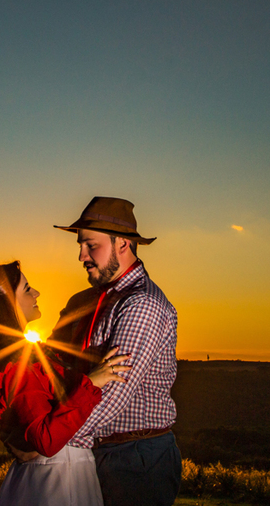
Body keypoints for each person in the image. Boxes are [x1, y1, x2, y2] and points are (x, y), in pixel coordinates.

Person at [49, 196, 181, 506]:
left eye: (90, 245)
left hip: (134, 461)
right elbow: (52, 363)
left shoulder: (142, 305)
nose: (81, 255)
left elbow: (112, 396)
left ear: (122, 243)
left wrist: (53, 441)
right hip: (94, 450)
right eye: (81, 245)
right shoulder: (84, 300)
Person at [0, 261, 130, 506]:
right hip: (57, 479)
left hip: (45, 476)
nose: (36, 293)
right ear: (7, 305)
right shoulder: (19, 363)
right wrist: (91, 383)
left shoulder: (8, 356)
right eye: (26, 289)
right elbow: (45, 439)